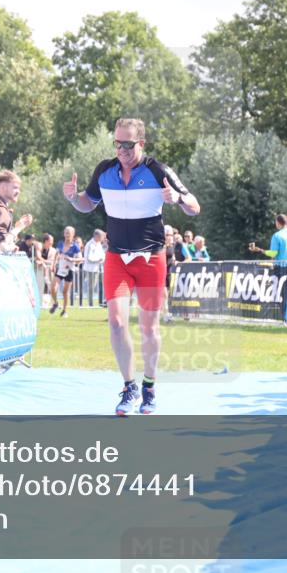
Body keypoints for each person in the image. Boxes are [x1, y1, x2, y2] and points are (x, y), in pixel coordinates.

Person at [63, 117, 200, 415]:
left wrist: (177, 198)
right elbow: (88, 203)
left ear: (141, 143)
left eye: (128, 144)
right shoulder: (104, 170)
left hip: (151, 259)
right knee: (117, 322)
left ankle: (149, 387)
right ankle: (129, 386)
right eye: (117, 143)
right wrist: (74, 198)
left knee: (149, 328)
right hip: (117, 259)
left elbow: (194, 206)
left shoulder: (157, 170)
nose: (122, 149)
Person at [50, 226, 82, 317]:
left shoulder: (75, 246)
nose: (67, 234)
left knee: (65, 292)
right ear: (64, 234)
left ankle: (64, 311)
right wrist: (53, 264)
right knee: (53, 288)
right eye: (66, 232)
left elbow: (80, 259)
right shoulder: (60, 243)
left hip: (69, 271)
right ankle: (56, 303)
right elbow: (56, 254)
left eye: (69, 232)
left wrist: (71, 259)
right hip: (60, 269)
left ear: (73, 234)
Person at [82, 229, 107, 306]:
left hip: (99, 268)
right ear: (97, 236)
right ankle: (90, 303)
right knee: (91, 287)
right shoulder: (90, 244)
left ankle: (102, 302)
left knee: (100, 286)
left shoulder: (98, 244)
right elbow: (89, 258)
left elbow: (101, 254)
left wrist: (102, 259)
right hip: (91, 269)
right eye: (101, 237)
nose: (102, 238)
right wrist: (98, 260)